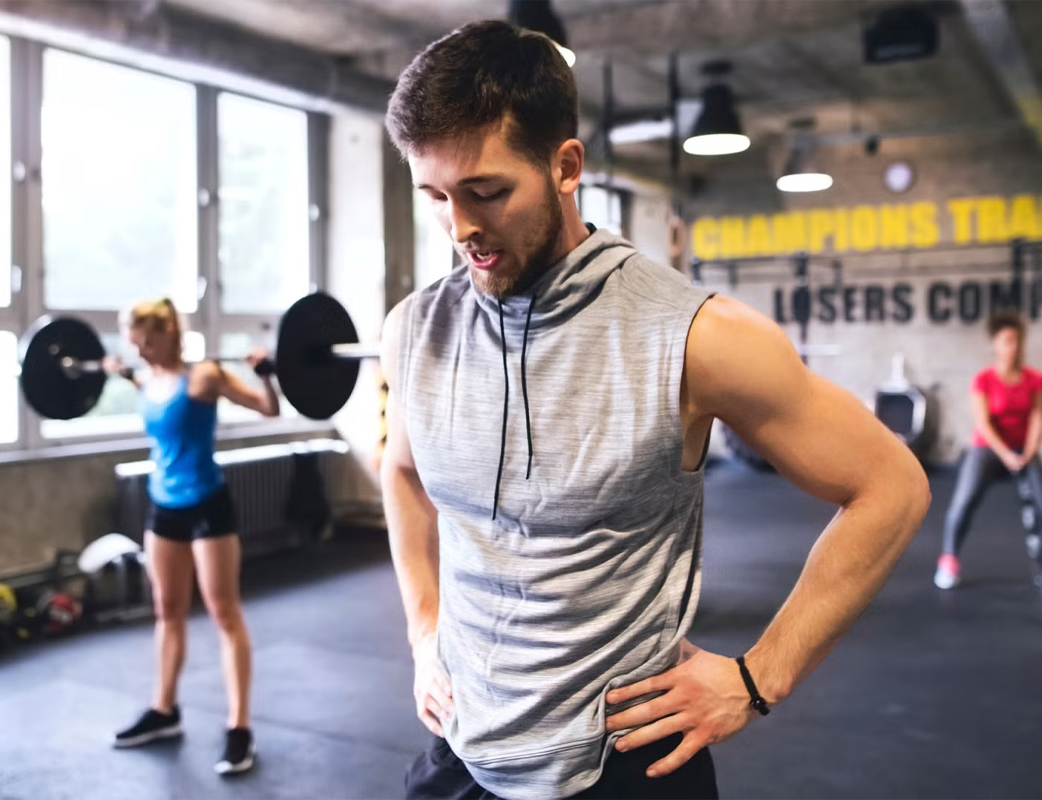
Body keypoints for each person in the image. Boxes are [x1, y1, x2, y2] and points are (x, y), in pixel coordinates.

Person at [379, 20, 931, 800]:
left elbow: (891, 486)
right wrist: (423, 628)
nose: (460, 226)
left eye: (487, 192)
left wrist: (758, 677)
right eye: (435, 195)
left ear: (566, 166)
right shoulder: (415, 330)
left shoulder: (696, 337)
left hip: (625, 767)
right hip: (463, 753)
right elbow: (400, 472)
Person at [108, 297, 279, 776]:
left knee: (224, 613)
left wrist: (266, 371)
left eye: (146, 342)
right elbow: (145, 384)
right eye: (134, 345)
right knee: (166, 611)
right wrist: (124, 374)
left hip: (207, 505)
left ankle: (239, 728)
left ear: (169, 334)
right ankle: (164, 711)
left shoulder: (203, 376)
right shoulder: (148, 378)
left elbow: (268, 409)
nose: (141, 352)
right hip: (163, 507)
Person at [935, 310, 1042, 591]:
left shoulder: (1037, 380)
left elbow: (1039, 419)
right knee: (964, 502)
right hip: (988, 448)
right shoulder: (983, 380)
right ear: (995, 345)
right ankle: (949, 559)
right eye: (1006, 340)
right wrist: (1006, 455)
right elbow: (983, 424)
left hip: (1024, 448)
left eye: (1015, 340)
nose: (1012, 346)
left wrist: (1028, 451)